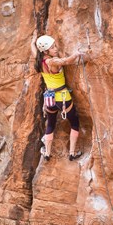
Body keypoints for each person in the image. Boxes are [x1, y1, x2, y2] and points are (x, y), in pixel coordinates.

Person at [30, 30, 90, 161]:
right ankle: (72, 153)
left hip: (49, 99)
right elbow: (67, 61)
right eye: (52, 48)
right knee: (74, 122)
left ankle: (47, 153)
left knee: (50, 124)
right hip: (63, 98)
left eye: (55, 46)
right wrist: (76, 54)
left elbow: (33, 49)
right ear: (45, 51)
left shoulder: (39, 61)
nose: (55, 49)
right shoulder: (52, 62)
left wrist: (33, 41)